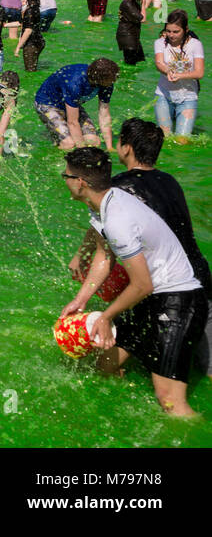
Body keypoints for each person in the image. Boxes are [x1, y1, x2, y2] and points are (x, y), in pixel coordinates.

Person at [58, 147, 206, 417]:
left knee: (170, 402)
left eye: (65, 175)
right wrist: (80, 300)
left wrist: (106, 316)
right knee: (105, 365)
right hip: (150, 298)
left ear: (80, 183)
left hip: (177, 301)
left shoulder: (118, 220)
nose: (64, 180)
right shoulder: (104, 203)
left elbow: (142, 285)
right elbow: (104, 255)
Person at [35, 59, 119, 151]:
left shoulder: (107, 83)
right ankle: (55, 154)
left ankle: (59, 133)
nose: (115, 80)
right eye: (113, 78)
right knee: (69, 144)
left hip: (71, 105)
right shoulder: (75, 83)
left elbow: (104, 115)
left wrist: (109, 147)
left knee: (94, 141)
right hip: (47, 104)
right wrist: (82, 152)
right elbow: (72, 122)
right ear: (100, 79)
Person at [152, 10, 203, 140]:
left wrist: (180, 76)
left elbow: (199, 72)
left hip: (188, 97)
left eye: (176, 32)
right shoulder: (160, 43)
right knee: (164, 138)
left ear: (185, 29)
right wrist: (168, 71)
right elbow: (159, 63)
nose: (171, 35)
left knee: (182, 140)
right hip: (163, 95)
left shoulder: (195, 45)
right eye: (168, 31)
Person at [13, 0, 45, 72]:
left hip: (32, 44)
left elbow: (28, 30)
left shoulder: (30, 10)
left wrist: (18, 46)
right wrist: (5, 25)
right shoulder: (34, 8)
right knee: (32, 68)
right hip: (38, 41)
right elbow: (22, 23)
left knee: (30, 71)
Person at [116, 0, 148, 65]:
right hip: (127, 36)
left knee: (141, 59)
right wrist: (144, 5)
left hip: (133, 35)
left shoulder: (133, 2)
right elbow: (143, 19)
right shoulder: (127, 4)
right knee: (130, 63)